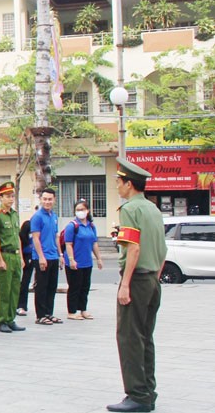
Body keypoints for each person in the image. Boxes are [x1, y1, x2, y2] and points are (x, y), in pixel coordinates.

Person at [106, 158, 168, 413]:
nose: (117, 187)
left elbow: (133, 248)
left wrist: (125, 285)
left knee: (130, 338)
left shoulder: (130, 209)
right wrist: (153, 276)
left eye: (119, 182)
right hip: (152, 279)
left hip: (137, 278)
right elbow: (162, 250)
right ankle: (148, 392)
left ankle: (137, 395)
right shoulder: (153, 209)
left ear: (129, 184)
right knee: (145, 337)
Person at [0, 182, 26, 334]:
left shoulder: (14, 214)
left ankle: (11, 319)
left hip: (15, 255)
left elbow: (17, 237)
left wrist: (22, 257)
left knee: (14, 290)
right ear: (1, 198)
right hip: (4, 254)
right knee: (5, 291)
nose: (11, 199)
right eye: (7, 196)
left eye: (12, 196)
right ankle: (2, 320)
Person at [63, 200, 103, 321]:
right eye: (78, 210)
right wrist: (71, 260)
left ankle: (83, 309)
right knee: (75, 286)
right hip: (75, 262)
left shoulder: (91, 226)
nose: (80, 212)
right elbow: (68, 244)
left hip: (87, 262)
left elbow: (94, 243)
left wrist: (99, 258)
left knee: (85, 286)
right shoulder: (72, 226)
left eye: (82, 209)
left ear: (88, 210)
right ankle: (72, 311)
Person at [31, 188, 62, 326]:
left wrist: (60, 254)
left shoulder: (54, 216)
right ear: (41, 199)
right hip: (42, 258)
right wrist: (41, 257)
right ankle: (41, 315)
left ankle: (49, 312)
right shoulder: (37, 217)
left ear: (54, 200)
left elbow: (56, 237)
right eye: (45, 199)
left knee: (51, 286)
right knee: (41, 287)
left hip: (53, 256)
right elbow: (36, 238)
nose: (47, 202)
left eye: (50, 199)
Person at [16, 217, 34, 317]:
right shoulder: (26, 227)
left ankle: (23, 305)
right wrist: (21, 258)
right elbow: (20, 245)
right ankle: (20, 305)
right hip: (25, 256)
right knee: (23, 282)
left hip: (34, 255)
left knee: (27, 281)